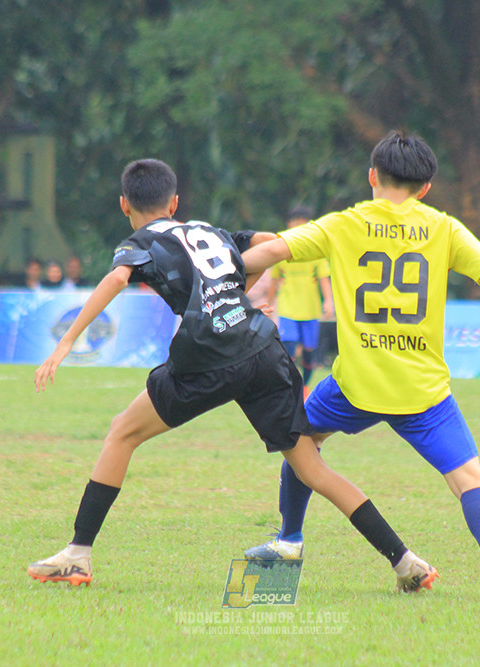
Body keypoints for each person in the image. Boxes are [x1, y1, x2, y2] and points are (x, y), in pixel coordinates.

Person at [27, 158, 436, 593]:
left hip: (207, 354)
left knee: (122, 433)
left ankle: (77, 555)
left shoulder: (139, 240)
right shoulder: (208, 231)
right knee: (312, 468)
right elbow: (274, 241)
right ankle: (406, 562)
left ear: (124, 204)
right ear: (176, 202)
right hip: (262, 347)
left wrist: (67, 341)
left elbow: (117, 278)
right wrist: (235, 293)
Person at [240, 130, 480, 601]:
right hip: (423, 391)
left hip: (357, 384)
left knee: (297, 439)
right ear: (425, 188)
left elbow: (271, 252)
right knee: (469, 480)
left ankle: (289, 540)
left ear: (372, 176)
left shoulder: (343, 224)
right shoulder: (443, 227)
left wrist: (217, 287)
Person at [267, 206, 334, 393]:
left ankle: (305, 387)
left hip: (310, 308)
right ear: (289, 224)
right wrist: (269, 304)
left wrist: (328, 301)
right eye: (296, 223)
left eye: (303, 223)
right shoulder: (281, 248)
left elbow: (323, 280)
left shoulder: (316, 250)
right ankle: (290, 387)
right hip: (288, 307)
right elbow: (274, 280)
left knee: (310, 351)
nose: (299, 227)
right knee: (289, 345)